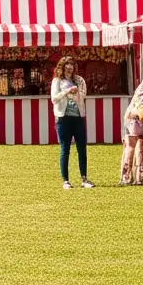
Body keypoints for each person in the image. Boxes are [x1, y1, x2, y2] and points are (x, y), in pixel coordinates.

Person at [50, 55, 91, 188]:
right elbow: (54, 99)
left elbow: (84, 95)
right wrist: (67, 91)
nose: (69, 67)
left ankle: (84, 179)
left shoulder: (79, 80)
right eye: (67, 64)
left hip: (78, 117)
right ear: (62, 67)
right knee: (65, 149)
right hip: (63, 118)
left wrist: (77, 91)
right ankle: (65, 180)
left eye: (72, 64)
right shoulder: (57, 81)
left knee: (82, 148)